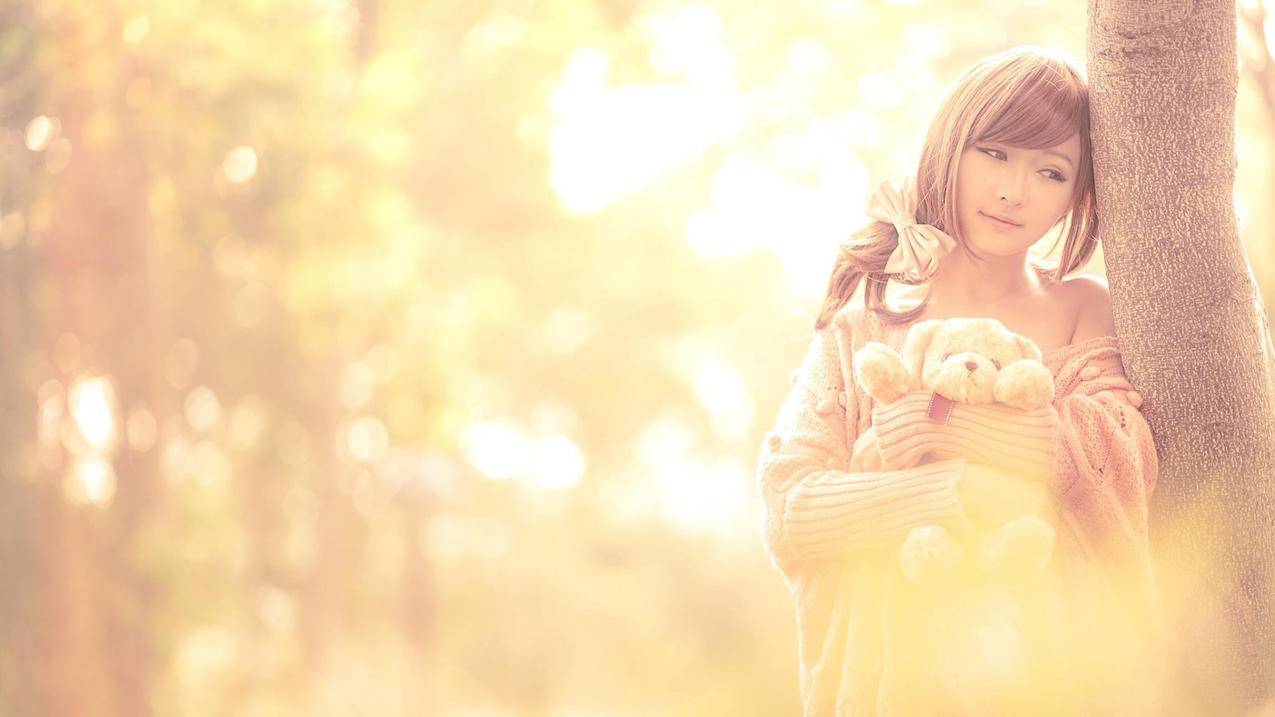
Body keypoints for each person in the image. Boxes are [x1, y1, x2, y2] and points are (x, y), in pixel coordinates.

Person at [756, 45, 1165, 715]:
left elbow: (1118, 454)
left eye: (1051, 171)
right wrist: (950, 490)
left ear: (1078, 195)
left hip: (1051, 679)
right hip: (896, 680)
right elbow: (789, 508)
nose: (1013, 190)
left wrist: (930, 422)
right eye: (994, 153)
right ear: (948, 147)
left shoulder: (1085, 310)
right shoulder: (865, 327)